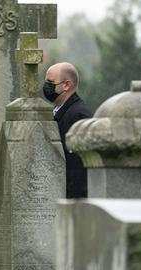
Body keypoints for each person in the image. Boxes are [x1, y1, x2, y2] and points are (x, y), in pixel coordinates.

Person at [43, 62, 93, 199]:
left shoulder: (78, 116)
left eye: (50, 82)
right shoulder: (59, 112)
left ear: (66, 85)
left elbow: (78, 167)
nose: (46, 87)